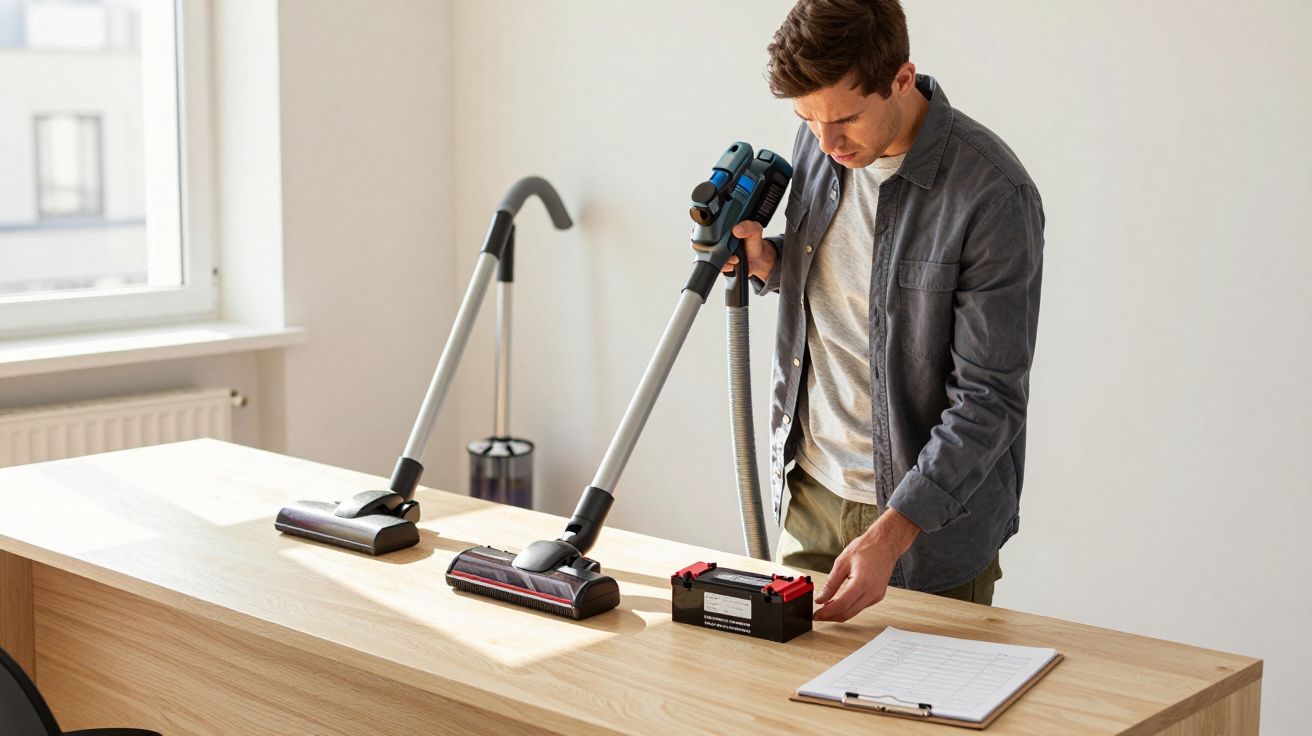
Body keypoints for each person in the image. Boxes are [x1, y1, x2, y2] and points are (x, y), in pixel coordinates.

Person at [725, 0, 1044, 622]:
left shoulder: (993, 195)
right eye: (807, 119)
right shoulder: (824, 142)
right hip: (812, 495)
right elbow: (856, 283)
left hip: (928, 527)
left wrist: (893, 531)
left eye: (844, 118)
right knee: (790, 713)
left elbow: (989, 397)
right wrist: (769, 263)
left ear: (902, 78)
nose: (826, 142)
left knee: (915, 715)